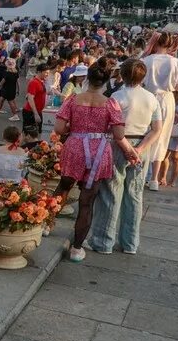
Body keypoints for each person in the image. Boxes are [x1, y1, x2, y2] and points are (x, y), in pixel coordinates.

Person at [50, 59, 137, 263]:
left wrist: (75, 130)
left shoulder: (72, 99)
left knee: (63, 186)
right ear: (106, 81)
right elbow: (118, 133)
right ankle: (77, 248)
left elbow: (59, 129)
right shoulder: (110, 103)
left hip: (74, 146)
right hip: (98, 151)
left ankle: (46, 223)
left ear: (87, 78)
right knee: (87, 201)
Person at [89, 58, 162, 256]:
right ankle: (130, 243)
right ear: (143, 76)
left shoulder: (116, 97)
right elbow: (157, 129)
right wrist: (140, 149)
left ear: (122, 74)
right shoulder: (152, 98)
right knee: (135, 195)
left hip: (118, 145)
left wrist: (128, 148)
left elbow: (112, 128)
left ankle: (103, 241)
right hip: (142, 146)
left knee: (111, 193)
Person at [141, 31, 178, 190]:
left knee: (147, 133)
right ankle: (155, 179)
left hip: (149, 96)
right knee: (162, 136)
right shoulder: (175, 62)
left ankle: (144, 173)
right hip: (166, 98)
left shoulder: (146, 60)